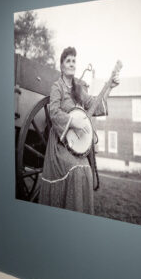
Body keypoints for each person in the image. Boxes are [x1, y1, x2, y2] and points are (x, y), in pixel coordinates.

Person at [37, 46, 119, 213]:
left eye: (74, 61)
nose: (72, 64)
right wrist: (73, 122)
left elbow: (94, 106)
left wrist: (109, 87)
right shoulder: (57, 87)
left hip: (77, 147)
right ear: (62, 66)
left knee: (86, 171)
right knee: (74, 170)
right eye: (68, 61)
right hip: (60, 144)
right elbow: (53, 112)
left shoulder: (79, 88)